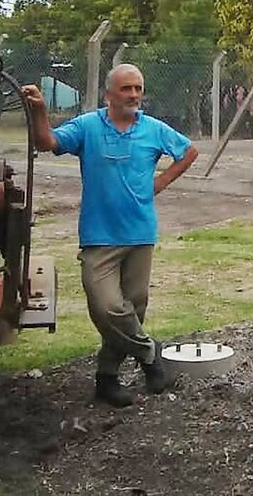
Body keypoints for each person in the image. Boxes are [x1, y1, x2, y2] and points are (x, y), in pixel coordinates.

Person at [22, 63, 199, 407]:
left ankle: (107, 378)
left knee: (133, 307)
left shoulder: (152, 129)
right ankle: (150, 354)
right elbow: (47, 142)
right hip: (99, 236)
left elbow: (188, 151)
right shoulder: (88, 127)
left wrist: (161, 182)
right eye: (126, 89)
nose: (133, 95)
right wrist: (39, 110)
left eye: (138, 88)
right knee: (106, 307)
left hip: (140, 233)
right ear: (108, 94)